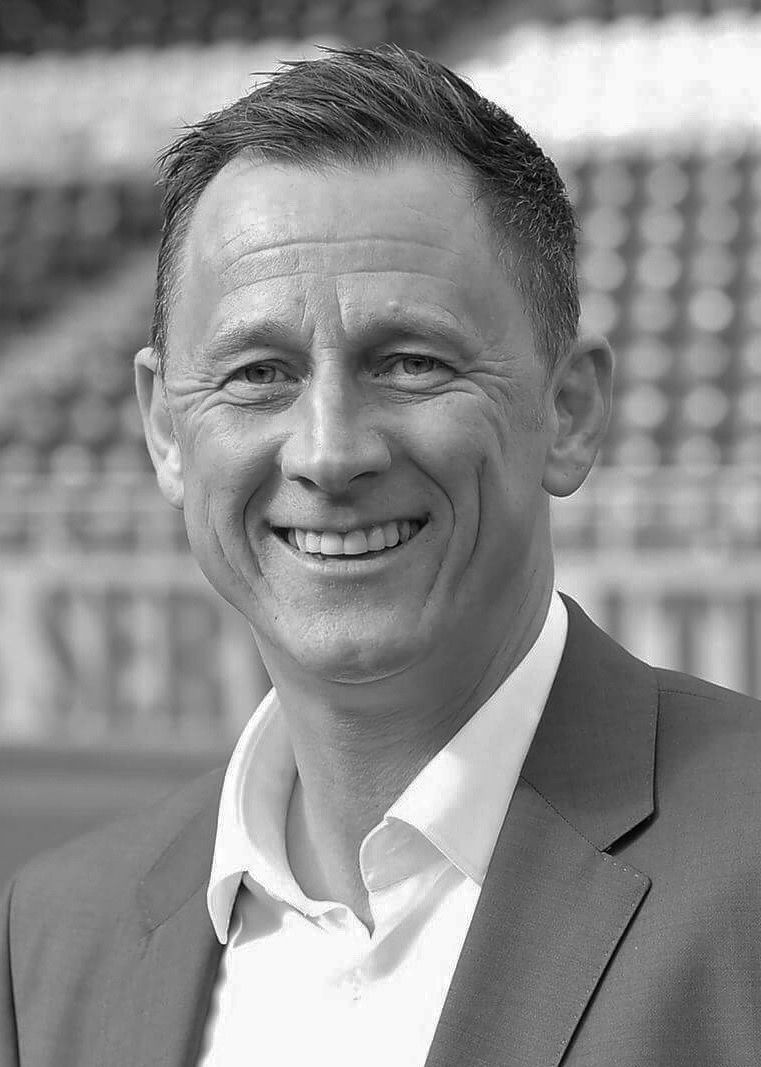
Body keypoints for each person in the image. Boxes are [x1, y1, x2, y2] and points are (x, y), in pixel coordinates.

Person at [2, 44, 761, 1067]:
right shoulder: (55, 940)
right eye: (258, 372)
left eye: (410, 362)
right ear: (165, 429)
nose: (328, 452)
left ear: (568, 411)